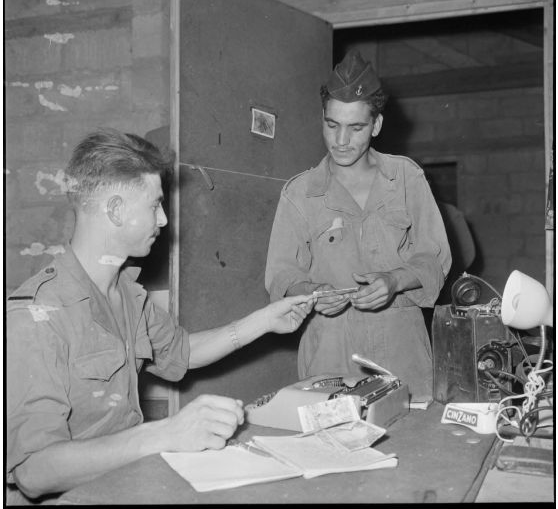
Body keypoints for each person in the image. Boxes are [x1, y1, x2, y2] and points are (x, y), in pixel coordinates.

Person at [6, 129, 315, 501]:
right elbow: (34, 472)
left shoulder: (127, 293)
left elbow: (181, 352)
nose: (165, 219)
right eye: (154, 205)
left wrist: (264, 321)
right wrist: (166, 434)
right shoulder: (35, 315)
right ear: (116, 210)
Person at [265, 49, 452, 403]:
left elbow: (434, 259)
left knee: (412, 446)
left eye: (355, 128)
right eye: (332, 125)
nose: (340, 140)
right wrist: (312, 290)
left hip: (402, 347)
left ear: (376, 125)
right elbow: (280, 275)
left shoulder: (406, 178)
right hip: (331, 348)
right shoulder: (300, 193)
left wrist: (394, 281)